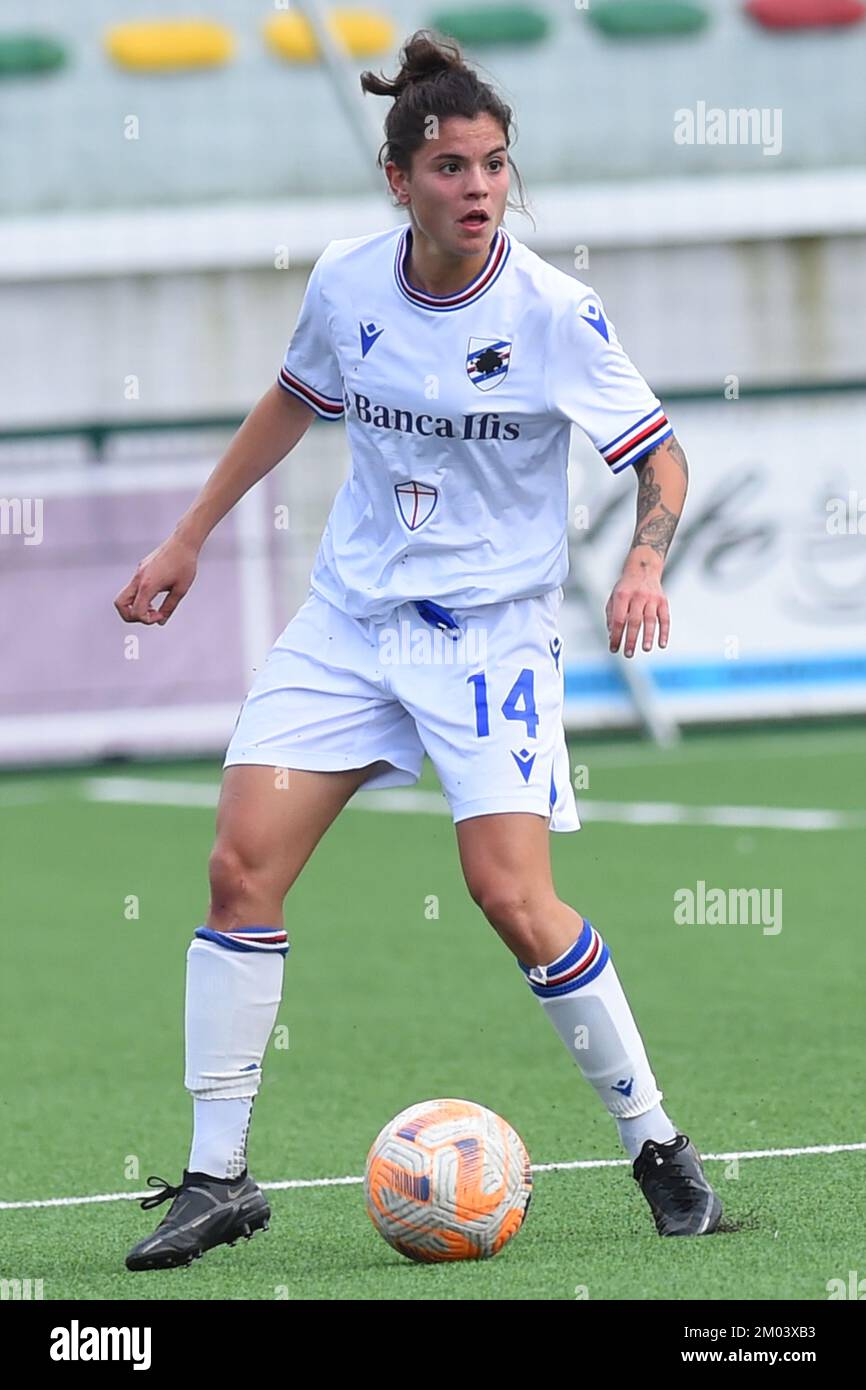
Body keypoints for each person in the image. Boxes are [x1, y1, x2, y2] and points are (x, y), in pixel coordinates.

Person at [116, 29, 722, 1271]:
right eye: (450, 166)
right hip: (344, 630)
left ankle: (656, 1145)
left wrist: (648, 556)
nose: (479, 187)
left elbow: (659, 454)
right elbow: (294, 396)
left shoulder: (553, 312)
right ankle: (219, 1177)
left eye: (494, 165)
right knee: (240, 871)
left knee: (513, 900)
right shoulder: (346, 281)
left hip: (486, 644)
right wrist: (186, 536)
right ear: (398, 178)